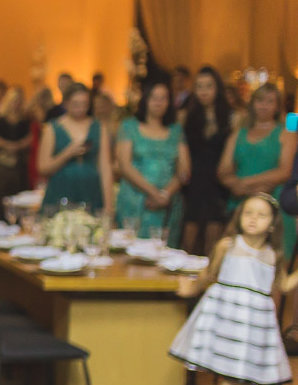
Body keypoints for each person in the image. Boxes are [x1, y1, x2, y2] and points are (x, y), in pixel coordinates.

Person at [172, 194, 294, 385]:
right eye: (248, 213)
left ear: (272, 224)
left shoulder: (274, 255)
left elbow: (283, 285)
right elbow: (209, 274)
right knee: (229, 374)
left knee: (246, 377)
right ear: (239, 218)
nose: (253, 219)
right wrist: (191, 289)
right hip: (228, 316)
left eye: (261, 215)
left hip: (255, 321)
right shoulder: (227, 245)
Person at [217, 83, 297, 259]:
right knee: (233, 257)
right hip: (240, 203)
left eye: (270, 101)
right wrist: (238, 187)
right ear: (253, 103)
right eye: (260, 100)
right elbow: (223, 170)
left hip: (273, 206)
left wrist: (245, 183)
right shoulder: (239, 133)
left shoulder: (286, 133)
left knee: (273, 262)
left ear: (277, 106)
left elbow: (285, 171)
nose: (264, 106)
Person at [114, 79, 189, 245]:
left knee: (163, 254)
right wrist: (154, 193)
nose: (158, 102)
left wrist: (165, 194)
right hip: (135, 200)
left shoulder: (176, 130)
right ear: (145, 100)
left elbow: (184, 170)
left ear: (169, 102)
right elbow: (124, 166)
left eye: (163, 98)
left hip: (168, 203)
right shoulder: (129, 126)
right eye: (154, 97)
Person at [38, 82, 113, 213]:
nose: (81, 109)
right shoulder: (53, 127)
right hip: (61, 189)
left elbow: (105, 168)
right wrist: (68, 153)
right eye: (75, 104)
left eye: (85, 104)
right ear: (66, 103)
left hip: (91, 191)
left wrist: (108, 206)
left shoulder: (99, 127)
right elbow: (43, 167)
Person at [181, 66, 233, 256]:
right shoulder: (186, 116)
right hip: (193, 181)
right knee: (189, 241)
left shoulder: (231, 118)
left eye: (208, 86)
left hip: (218, 182)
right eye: (199, 86)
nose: (204, 91)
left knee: (213, 242)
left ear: (217, 88)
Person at [0, 87, 33, 209]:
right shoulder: (0, 119)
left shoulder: (26, 119)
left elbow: (30, 138)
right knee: (3, 191)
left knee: (20, 191)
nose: (16, 104)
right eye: (14, 100)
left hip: (20, 162)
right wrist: (9, 146)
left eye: (19, 101)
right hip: (3, 162)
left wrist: (17, 146)